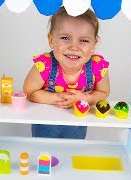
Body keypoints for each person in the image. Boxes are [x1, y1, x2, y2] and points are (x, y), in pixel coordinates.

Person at [23, 7, 110, 139]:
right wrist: (57, 98)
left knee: (72, 153)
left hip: (77, 123)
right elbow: (29, 91)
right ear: (51, 40)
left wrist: (86, 98)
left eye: (84, 40)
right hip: (45, 124)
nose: (74, 47)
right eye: (65, 38)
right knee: (43, 154)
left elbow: (104, 93)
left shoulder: (97, 66)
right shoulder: (44, 65)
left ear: (94, 44)